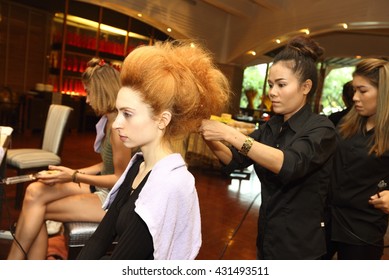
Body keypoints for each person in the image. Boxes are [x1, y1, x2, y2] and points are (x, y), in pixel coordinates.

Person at [76, 40, 230, 260]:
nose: (118, 123)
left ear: (162, 119)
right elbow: (101, 237)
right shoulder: (138, 165)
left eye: (127, 114)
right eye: (118, 113)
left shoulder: (168, 185)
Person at [200, 35, 337, 259]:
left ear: (306, 87)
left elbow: (289, 164)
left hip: (300, 247)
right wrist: (209, 134)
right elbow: (234, 160)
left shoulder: (322, 129)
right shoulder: (271, 126)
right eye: (271, 85)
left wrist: (230, 133)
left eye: (281, 85)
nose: (272, 92)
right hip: (268, 238)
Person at [7, 58, 132, 260]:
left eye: (89, 93)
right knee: (34, 190)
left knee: (37, 209)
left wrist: (74, 176)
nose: (88, 100)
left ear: (102, 92)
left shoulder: (119, 129)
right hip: (102, 188)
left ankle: (14, 263)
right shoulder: (108, 121)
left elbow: (120, 178)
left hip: (113, 200)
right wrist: (66, 173)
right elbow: (106, 165)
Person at [327, 58, 389, 260]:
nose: (354, 97)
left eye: (362, 91)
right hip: (327, 221)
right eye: (354, 90)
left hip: (362, 231)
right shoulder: (347, 123)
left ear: (384, 93)